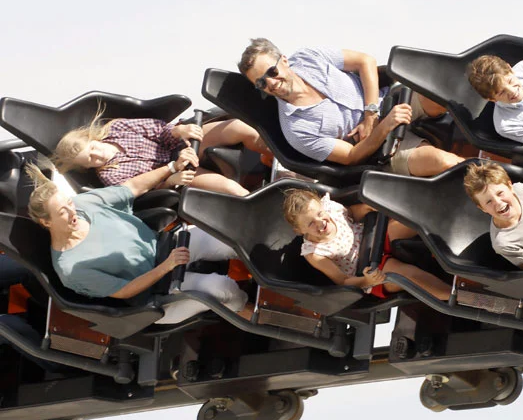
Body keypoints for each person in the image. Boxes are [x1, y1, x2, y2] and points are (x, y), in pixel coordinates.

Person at [25, 164, 249, 325]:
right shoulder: (72, 267)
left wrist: (171, 168)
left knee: (232, 236)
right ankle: (252, 314)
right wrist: (166, 267)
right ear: (46, 222)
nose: (72, 211)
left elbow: (131, 188)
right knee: (221, 289)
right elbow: (124, 291)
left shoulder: (84, 204)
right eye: (62, 212)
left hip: (165, 247)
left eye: (69, 203)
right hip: (159, 293)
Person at [238, 38, 464, 176]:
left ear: (284, 61)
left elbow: (365, 61)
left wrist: (371, 113)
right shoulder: (295, 130)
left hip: (389, 101)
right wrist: (383, 126)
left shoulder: (308, 57)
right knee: (445, 164)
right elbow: (351, 156)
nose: (271, 83)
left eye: (271, 72)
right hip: (381, 147)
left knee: (444, 93)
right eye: (261, 83)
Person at [51, 107, 271, 196]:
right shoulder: (110, 175)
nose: (96, 156)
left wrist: (180, 131)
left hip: (179, 144)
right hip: (174, 172)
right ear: (87, 167)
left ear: (92, 138)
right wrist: (171, 177)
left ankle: (277, 157)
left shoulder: (116, 128)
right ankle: (259, 201)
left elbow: (157, 129)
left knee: (237, 127)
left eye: (92, 149)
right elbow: (149, 187)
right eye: (90, 160)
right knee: (228, 189)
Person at [283, 189, 450, 300]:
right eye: (311, 224)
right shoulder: (315, 253)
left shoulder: (331, 208)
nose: (320, 222)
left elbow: (352, 214)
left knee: (414, 220)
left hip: (375, 237)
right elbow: (343, 281)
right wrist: (366, 280)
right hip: (370, 268)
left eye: (320, 214)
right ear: (299, 230)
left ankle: (455, 225)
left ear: (322, 205)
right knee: (408, 276)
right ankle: (460, 296)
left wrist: (367, 207)